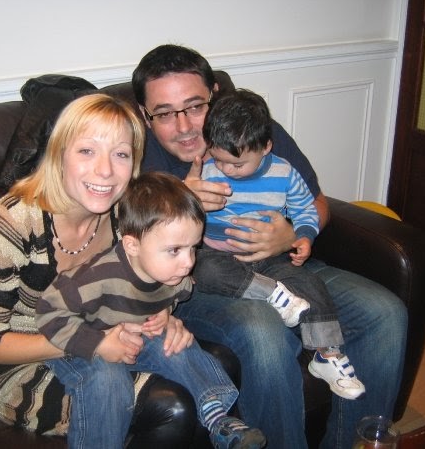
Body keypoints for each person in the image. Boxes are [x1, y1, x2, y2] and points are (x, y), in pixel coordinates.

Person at [132, 44, 407, 449]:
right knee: (264, 332)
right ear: (144, 114)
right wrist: (174, 201)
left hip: (281, 261)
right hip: (197, 279)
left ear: (216, 94)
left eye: (195, 106)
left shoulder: (253, 129)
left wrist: (292, 233)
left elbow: (316, 201)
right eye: (164, 113)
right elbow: (118, 245)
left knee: (385, 312)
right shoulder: (130, 154)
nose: (186, 126)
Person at [0, 94, 195, 444]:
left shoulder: (125, 216)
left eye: (120, 154)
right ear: (59, 156)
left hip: (113, 340)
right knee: (156, 399)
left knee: (201, 368)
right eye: (87, 151)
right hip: (25, 363)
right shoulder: (10, 226)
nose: (105, 170)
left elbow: (154, 278)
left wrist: (163, 312)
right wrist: (93, 341)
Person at [35, 171, 266, 449]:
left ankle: (217, 418)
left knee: (177, 345)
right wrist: (97, 343)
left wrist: (167, 314)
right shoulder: (96, 278)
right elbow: (47, 311)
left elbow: (177, 294)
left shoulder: (175, 276)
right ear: (132, 245)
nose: (188, 263)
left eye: (193, 248)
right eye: (175, 250)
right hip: (81, 343)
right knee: (108, 380)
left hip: (134, 337)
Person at [193, 88, 365, 401]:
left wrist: (304, 236)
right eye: (219, 160)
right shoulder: (206, 172)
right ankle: (275, 296)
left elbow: (305, 210)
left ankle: (328, 354)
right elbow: (185, 221)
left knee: (310, 284)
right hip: (221, 257)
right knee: (203, 268)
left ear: (265, 147)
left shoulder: (284, 173)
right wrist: (192, 200)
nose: (227, 170)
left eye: (238, 163)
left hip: (272, 260)